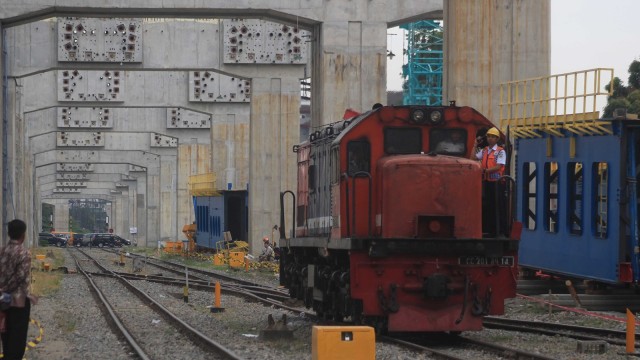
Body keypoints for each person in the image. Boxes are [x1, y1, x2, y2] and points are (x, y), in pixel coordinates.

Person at [0, 219, 37, 360]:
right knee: (17, 339)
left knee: (6, 335)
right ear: (23, 235)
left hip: (2, 299)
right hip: (18, 301)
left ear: (9, 233)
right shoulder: (23, 253)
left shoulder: (2, 251)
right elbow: (20, 278)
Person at [471, 127, 507, 237]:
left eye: (493, 137)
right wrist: (475, 145)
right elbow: (472, 158)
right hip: (487, 181)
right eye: (489, 136)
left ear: (497, 139)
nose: (490, 139)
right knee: (489, 206)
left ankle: (500, 230)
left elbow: (499, 166)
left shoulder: (500, 152)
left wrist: (485, 170)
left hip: (497, 183)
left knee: (498, 206)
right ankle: (490, 229)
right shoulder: (485, 150)